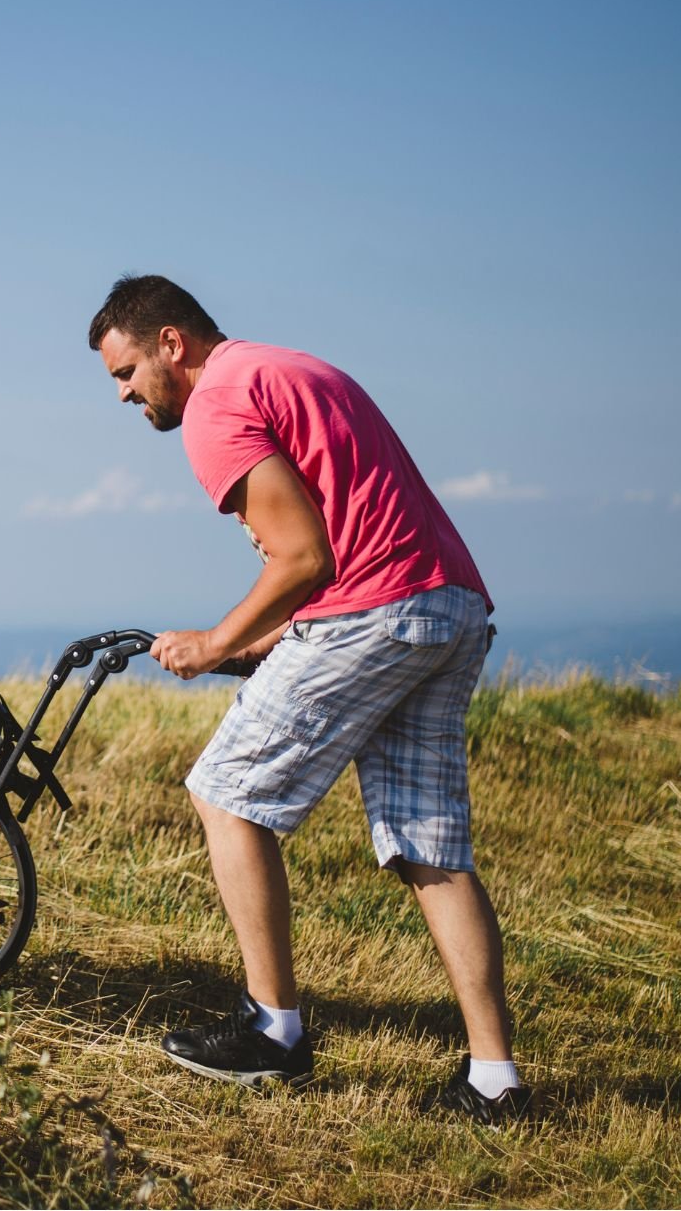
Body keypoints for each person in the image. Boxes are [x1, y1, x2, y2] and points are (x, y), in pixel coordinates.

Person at [87, 273, 527, 1123]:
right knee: (428, 846)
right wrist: (248, 653)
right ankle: (495, 1079)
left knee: (225, 794)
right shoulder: (297, 370)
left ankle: (274, 1033)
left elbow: (303, 561)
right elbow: (346, 545)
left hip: (376, 610)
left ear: (171, 344)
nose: (124, 394)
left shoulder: (216, 404)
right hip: (449, 607)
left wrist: (213, 641)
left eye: (125, 372)